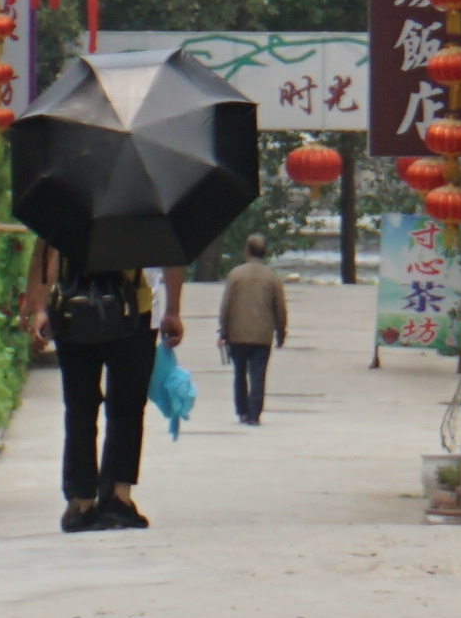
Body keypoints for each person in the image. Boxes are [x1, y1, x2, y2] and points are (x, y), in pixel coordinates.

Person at [31, 227, 181, 530]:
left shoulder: (67, 195)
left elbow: (47, 251)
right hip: (132, 311)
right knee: (127, 406)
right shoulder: (147, 200)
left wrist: (39, 308)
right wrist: (173, 310)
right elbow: (171, 253)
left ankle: (81, 502)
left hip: (74, 308)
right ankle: (117, 496)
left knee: (80, 407)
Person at [215, 248, 289, 424]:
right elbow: (280, 308)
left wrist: (223, 331)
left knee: (239, 373)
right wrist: (281, 332)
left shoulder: (235, 275)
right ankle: (254, 414)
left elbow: (226, 305)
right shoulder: (272, 278)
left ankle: (242, 410)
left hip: (237, 334)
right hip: (262, 335)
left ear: (246, 252)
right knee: (258, 374)